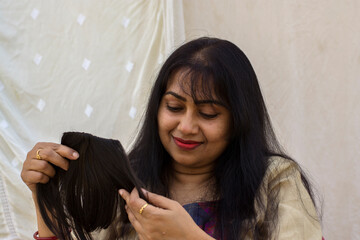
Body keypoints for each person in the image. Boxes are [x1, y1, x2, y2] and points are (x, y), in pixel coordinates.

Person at [21, 37, 322, 239]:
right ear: (157, 107)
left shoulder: (275, 180)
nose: (186, 126)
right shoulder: (126, 180)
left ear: (239, 120)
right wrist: (44, 197)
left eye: (208, 113)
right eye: (175, 107)